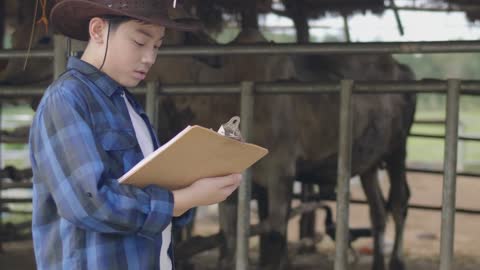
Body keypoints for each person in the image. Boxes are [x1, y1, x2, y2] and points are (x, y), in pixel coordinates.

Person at [28, 1, 242, 269]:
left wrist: (201, 171)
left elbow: (151, 193)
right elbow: (89, 203)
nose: (149, 57)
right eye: (140, 42)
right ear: (98, 31)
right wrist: (181, 200)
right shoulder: (66, 100)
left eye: (156, 46)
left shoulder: (128, 105)